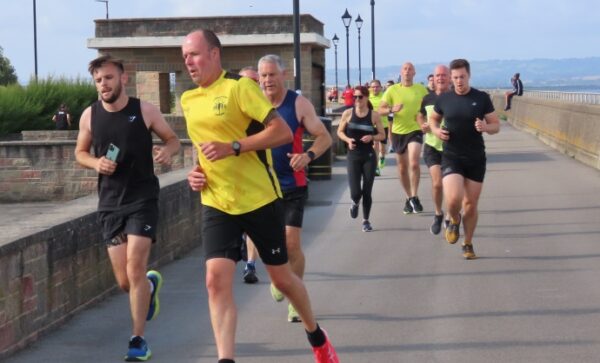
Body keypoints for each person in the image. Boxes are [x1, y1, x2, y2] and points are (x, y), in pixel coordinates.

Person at [181, 29, 338, 363]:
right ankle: (226, 359)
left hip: (259, 198)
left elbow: (281, 132)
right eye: (184, 57)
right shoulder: (188, 100)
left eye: (193, 54)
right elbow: (202, 151)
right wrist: (196, 173)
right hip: (216, 201)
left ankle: (316, 334)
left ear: (213, 54)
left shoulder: (240, 88)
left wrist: (235, 147)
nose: (188, 62)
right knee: (215, 281)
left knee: (282, 279)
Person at [74, 55, 181, 361]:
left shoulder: (143, 110)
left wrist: (166, 152)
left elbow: (173, 140)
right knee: (125, 281)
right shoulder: (89, 116)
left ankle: (137, 341)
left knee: (135, 268)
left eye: (108, 78)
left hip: (142, 199)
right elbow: (80, 153)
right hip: (110, 204)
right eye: (98, 80)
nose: (103, 85)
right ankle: (149, 285)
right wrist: (96, 162)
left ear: (122, 79)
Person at [242, 54, 332, 322]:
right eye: (263, 76)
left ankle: (295, 296)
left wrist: (308, 156)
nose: (267, 80)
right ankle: (280, 278)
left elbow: (324, 136)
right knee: (266, 244)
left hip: (292, 184)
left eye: (272, 75)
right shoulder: (250, 104)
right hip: (261, 185)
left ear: (284, 76)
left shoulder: (298, 104)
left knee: (292, 245)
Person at [429, 58, 500, 260]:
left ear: (469, 76)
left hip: (476, 157)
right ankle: (454, 218)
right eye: (455, 77)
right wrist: (436, 131)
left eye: (462, 77)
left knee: (470, 204)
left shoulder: (481, 98)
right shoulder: (444, 99)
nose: (459, 81)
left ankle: (467, 243)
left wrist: (486, 127)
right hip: (452, 155)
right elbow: (433, 119)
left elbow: (496, 124)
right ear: (451, 79)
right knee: (453, 199)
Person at [378, 62, 429, 215]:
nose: (407, 71)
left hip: (415, 130)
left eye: (410, 69)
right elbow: (380, 110)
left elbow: (431, 107)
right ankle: (410, 198)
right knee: (401, 168)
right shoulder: (392, 90)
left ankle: (414, 195)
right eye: (405, 69)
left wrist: (427, 121)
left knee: (413, 163)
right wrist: (392, 109)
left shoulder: (421, 89)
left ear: (414, 73)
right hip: (399, 132)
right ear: (401, 73)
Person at [337, 85, 385, 232]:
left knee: (367, 191)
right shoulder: (347, 113)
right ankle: (355, 202)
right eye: (355, 97)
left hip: (369, 156)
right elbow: (339, 131)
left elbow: (383, 135)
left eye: (360, 97)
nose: (357, 100)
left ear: (366, 97)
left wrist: (372, 136)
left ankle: (366, 221)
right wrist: (348, 140)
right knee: (355, 192)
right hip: (353, 156)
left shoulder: (374, 115)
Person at [418, 65, 451, 235]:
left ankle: (449, 217)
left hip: (452, 147)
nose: (440, 78)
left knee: (450, 186)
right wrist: (422, 126)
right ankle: (438, 213)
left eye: (444, 75)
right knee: (438, 184)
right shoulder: (427, 98)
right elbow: (420, 115)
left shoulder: (455, 98)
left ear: (449, 78)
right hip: (432, 146)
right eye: (437, 75)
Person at [368, 79, 388, 176]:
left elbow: (389, 108)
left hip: (384, 125)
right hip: (372, 126)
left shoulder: (385, 97)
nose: (375, 88)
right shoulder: (367, 97)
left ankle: (382, 157)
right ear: (370, 88)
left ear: (380, 87)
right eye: (373, 87)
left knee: (382, 149)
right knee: (374, 146)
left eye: (377, 86)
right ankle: (376, 167)